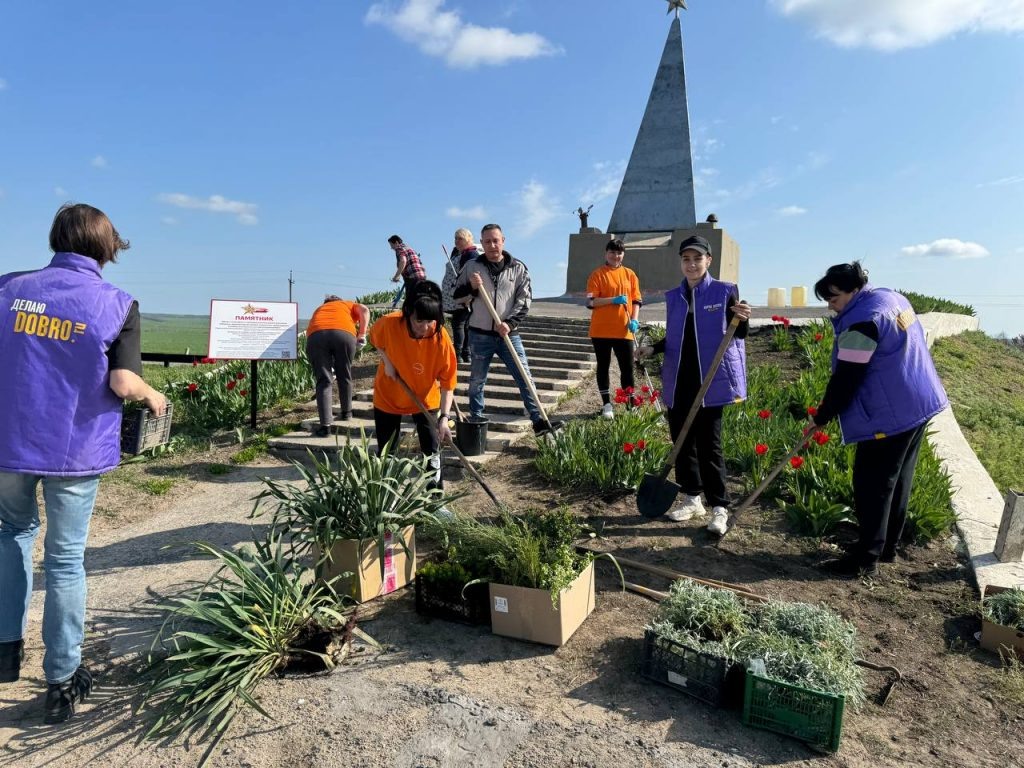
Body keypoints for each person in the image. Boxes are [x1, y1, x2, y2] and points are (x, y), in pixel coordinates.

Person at [0, 203, 167, 724]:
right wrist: (153, 395)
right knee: (65, 559)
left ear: (57, 238)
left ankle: (5, 651)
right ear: (106, 247)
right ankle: (62, 679)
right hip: (73, 450)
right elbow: (122, 382)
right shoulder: (117, 303)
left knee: (11, 534)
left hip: (8, 443)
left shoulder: (7, 288)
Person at [810, 262, 948, 577]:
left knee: (871, 484)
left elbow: (847, 378)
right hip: (917, 401)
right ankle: (886, 548)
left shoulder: (862, 322)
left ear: (853, 290)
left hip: (890, 412)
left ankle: (865, 560)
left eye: (833, 298)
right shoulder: (890, 298)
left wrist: (822, 416)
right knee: (896, 480)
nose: (830, 306)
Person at [637, 235, 750, 534]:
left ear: (708, 260)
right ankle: (692, 498)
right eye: (686, 259)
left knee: (710, 445)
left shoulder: (724, 291)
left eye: (697, 258)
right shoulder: (674, 296)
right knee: (682, 441)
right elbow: (677, 336)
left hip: (711, 380)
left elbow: (738, 333)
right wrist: (653, 348)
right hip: (679, 379)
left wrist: (744, 318)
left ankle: (719, 507)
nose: (691, 264)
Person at [454, 223, 563, 436]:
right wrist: (472, 288)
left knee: (524, 376)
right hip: (479, 334)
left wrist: (510, 323)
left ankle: (539, 421)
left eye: (496, 240)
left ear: (503, 241)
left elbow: (525, 300)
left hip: (508, 335)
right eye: (487, 241)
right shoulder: (472, 267)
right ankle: (476, 419)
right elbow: (456, 296)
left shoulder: (518, 268)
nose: (492, 245)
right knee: (477, 381)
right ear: (481, 243)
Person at [369, 281, 456, 487]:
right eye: (419, 321)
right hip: (389, 396)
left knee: (432, 450)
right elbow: (375, 339)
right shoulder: (389, 323)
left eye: (430, 321)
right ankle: (387, 494)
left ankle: (434, 496)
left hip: (425, 398)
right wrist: (387, 361)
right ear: (408, 313)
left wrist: (444, 418)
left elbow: (448, 383)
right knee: (387, 452)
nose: (425, 328)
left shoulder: (440, 338)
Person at [586, 238, 642, 419]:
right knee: (603, 366)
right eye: (612, 252)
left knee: (627, 368)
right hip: (601, 331)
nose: (615, 256)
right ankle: (606, 404)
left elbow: (636, 300)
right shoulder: (597, 274)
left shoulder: (630, 274)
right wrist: (613, 300)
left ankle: (630, 404)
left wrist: (635, 320)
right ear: (606, 253)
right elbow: (591, 302)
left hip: (624, 330)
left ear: (623, 254)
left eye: (619, 253)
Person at [306, 295, 370, 437]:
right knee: (344, 374)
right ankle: (347, 413)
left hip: (316, 335)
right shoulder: (347, 304)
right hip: (344, 334)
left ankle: (325, 427)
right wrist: (362, 334)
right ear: (339, 301)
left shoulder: (320, 309)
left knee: (324, 381)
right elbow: (365, 310)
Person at [441, 228, 480, 363]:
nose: (456, 241)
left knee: (459, 323)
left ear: (468, 239)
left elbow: (471, 276)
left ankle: (458, 354)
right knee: (464, 324)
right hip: (459, 296)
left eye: (460, 238)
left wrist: (469, 296)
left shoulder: (470, 254)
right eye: (455, 238)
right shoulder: (463, 254)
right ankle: (465, 353)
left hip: (463, 297)